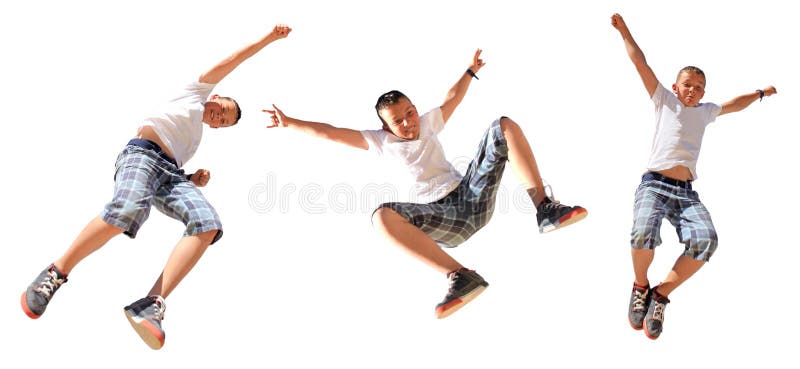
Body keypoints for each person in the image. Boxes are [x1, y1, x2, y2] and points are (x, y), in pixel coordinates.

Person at [21, 24, 292, 350]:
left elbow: (171, 173)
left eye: (222, 121)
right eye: (223, 110)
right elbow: (234, 60)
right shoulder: (194, 92)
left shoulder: (194, 140)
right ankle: (53, 273)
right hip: (142, 155)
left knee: (207, 224)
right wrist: (268, 39)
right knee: (128, 208)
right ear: (216, 97)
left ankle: (151, 303)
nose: (218, 116)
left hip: (171, 173)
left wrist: (191, 180)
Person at [263, 49, 587, 319]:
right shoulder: (378, 142)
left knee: (501, 126)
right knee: (381, 217)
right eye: (398, 121)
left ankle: (544, 209)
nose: (408, 124)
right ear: (384, 126)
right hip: (439, 218)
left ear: (415, 109)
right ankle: (461, 277)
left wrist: (470, 71)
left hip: (470, 196)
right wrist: (291, 122)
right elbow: (330, 131)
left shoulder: (429, 122)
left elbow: (452, 98)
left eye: (410, 113)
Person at [611, 13, 777, 340]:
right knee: (643, 230)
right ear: (676, 87)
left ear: (703, 93)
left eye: (698, 88)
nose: (692, 91)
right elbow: (640, 63)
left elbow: (734, 103)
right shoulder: (664, 100)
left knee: (706, 240)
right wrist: (624, 31)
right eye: (687, 85)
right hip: (654, 185)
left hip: (685, 191)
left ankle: (660, 294)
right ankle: (641, 286)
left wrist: (760, 93)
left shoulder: (705, 112)